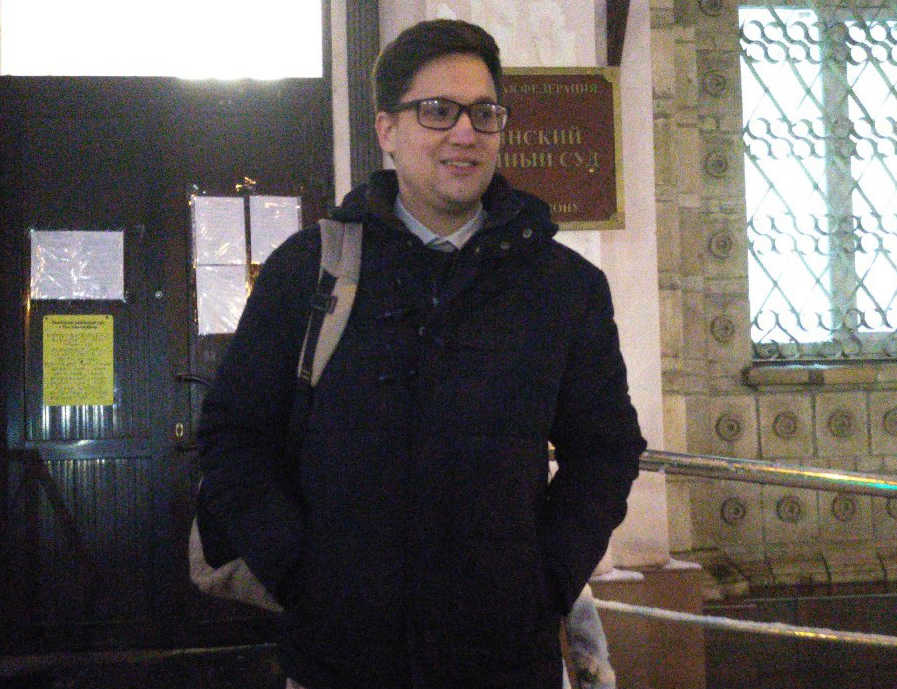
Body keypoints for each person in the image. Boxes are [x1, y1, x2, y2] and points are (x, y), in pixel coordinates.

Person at [198, 19, 646, 689]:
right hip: (341, 659)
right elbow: (234, 433)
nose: (465, 133)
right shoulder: (308, 270)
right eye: (438, 110)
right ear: (387, 130)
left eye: (484, 113)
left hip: (503, 659)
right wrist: (298, 570)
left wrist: (547, 575)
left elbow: (605, 448)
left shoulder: (563, 286)